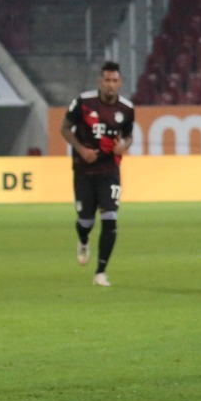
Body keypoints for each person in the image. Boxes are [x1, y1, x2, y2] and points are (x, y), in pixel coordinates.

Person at [62, 61, 135, 286]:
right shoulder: (83, 103)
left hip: (109, 170)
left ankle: (100, 272)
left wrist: (124, 145)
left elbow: (128, 135)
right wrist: (81, 149)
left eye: (114, 81)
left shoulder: (126, 109)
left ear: (120, 82)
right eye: (107, 80)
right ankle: (83, 240)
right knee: (85, 222)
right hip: (84, 170)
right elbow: (64, 129)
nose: (110, 85)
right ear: (100, 82)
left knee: (110, 218)